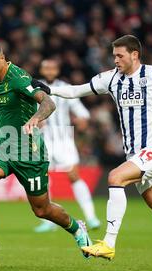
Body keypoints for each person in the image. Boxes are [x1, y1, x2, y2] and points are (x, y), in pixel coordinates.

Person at [32, 35, 152, 260]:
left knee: (115, 177)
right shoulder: (111, 79)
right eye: (114, 55)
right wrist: (50, 90)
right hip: (135, 154)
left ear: (135, 55)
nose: (115, 60)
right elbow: (77, 91)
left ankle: (108, 243)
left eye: (119, 55)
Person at [0, 42, 92, 267]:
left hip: (29, 152)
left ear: (3, 59)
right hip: (4, 146)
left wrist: (36, 118)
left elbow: (48, 102)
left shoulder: (18, 78)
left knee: (42, 209)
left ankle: (76, 227)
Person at [33, 59, 101, 233]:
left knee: (73, 175)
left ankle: (91, 217)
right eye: (46, 67)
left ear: (57, 70)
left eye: (52, 67)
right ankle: (49, 220)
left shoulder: (64, 87)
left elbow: (81, 111)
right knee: (42, 176)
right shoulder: (33, 88)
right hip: (43, 140)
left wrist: (82, 120)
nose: (49, 70)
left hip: (63, 140)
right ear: (42, 69)